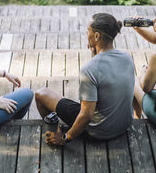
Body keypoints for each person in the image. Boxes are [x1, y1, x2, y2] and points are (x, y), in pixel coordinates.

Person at [35, 13, 135, 145]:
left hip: (98, 132)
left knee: (41, 94)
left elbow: (86, 116)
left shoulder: (89, 69)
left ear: (96, 36)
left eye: (88, 31)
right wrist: (95, 55)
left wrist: (66, 138)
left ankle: (55, 128)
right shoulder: (127, 58)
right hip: (124, 125)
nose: (86, 34)